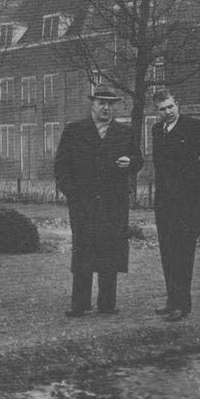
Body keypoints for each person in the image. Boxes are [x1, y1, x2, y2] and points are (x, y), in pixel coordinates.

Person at [54, 85, 143, 317]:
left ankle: (107, 304)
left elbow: (138, 159)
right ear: (92, 104)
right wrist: (73, 194)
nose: (106, 108)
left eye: (110, 104)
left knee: (109, 251)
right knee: (83, 250)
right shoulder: (74, 130)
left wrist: (130, 162)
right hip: (83, 204)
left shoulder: (124, 132)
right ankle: (80, 305)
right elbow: (61, 166)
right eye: (101, 103)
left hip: (114, 204)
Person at [151, 89, 200, 322]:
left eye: (170, 107)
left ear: (177, 104)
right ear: (156, 111)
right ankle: (172, 301)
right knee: (168, 254)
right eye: (162, 109)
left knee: (183, 255)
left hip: (187, 205)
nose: (168, 112)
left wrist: (191, 184)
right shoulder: (156, 131)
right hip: (165, 206)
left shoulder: (193, 127)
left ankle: (183, 305)